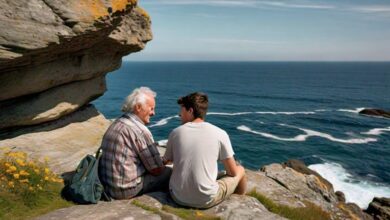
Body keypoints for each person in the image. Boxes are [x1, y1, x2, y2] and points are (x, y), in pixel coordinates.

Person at [163, 92, 246, 208]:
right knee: (240, 169)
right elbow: (232, 172)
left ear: (190, 111)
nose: (179, 114)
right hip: (206, 200)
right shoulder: (220, 133)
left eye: (181, 110)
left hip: (177, 196)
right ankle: (241, 201)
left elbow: (167, 161)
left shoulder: (175, 132)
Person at [98, 87, 171, 200]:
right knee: (169, 172)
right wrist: (166, 160)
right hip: (125, 190)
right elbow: (157, 170)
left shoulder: (117, 123)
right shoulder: (140, 131)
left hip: (108, 186)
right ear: (138, 107)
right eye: (151, 109)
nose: (153, 113)